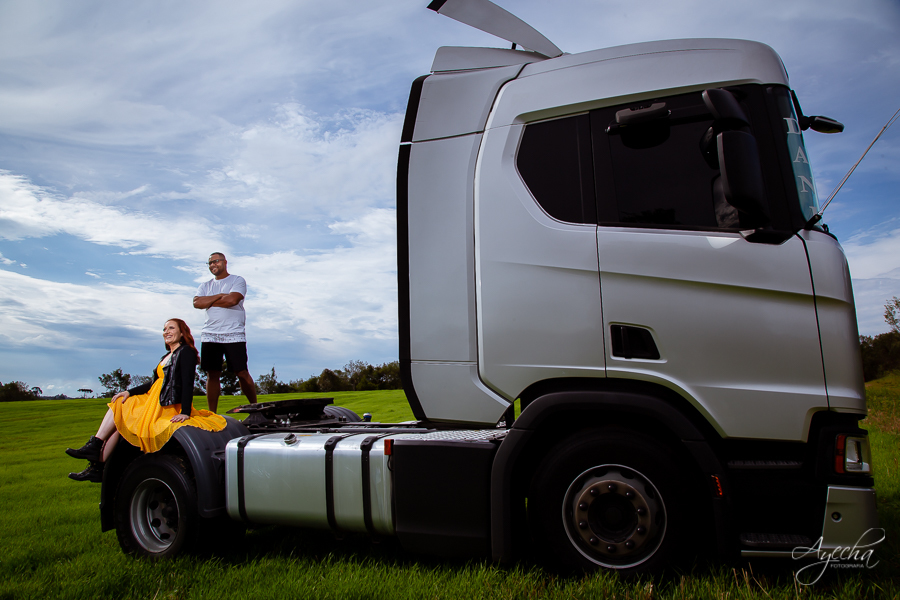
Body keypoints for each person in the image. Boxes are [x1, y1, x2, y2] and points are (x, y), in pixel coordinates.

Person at [66, 319, 226, 482]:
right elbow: (153, 383)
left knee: (118, 410)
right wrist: (128, 391)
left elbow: (187, 382)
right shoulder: (167, 356)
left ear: (182, 333)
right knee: (119, 409)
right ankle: (96, 464)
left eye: (171, 328)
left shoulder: (186, 352)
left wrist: (185, 412)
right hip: (152, 398)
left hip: (165, 404)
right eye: (164, 329)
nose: (166, 331)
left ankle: (95, 447)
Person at [192, 252, 257, 413]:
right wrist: (220, 295)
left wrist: (210, 300)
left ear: (225, 262)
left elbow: (232, 300)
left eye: (216, 261)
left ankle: (256, 409)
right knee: (212, 374)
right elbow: (197, 302)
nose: (213, 265)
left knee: (241, 372)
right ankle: (212, 413)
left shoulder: (237, 280)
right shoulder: (205, 285)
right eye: (210, 263)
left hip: (233, 333)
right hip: (210, 334)